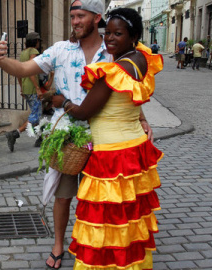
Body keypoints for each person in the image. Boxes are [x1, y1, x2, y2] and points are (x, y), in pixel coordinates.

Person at [0, 1, 153, 268]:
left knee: (101, 200)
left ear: (96, 17)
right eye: (72, 17)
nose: (75, 21)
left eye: (81, 16)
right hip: (66, 137)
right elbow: (23, 69)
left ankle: (100, 246)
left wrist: (142, 119)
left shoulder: (113, 48)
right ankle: (58, 244)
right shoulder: (61, 50)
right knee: (63, 195)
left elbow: (127, 93)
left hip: (103, 140)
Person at [51, 7, 163, 269]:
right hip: (133, 150)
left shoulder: (112, 72)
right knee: (127, 217)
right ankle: (127, 262)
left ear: (133, 35)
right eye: (107, 32)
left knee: (104, 221)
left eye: (118, 34)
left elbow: (82, 112)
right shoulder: (140, 58)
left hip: (111, 155)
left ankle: (107, 264)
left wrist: (61, 101)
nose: (109, 38)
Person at [4, 32, 44, 151]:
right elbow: (31, 70)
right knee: (35, 114)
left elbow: (19, 72)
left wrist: (21, 87)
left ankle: (40, 137)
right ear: (35, 41)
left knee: (36, 112)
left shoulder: (23, 54)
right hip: (32, 87)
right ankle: (15, 133)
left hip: (26, 87)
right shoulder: (33, 52)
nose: (39, 43)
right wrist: (37, 88)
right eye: (38, 41)